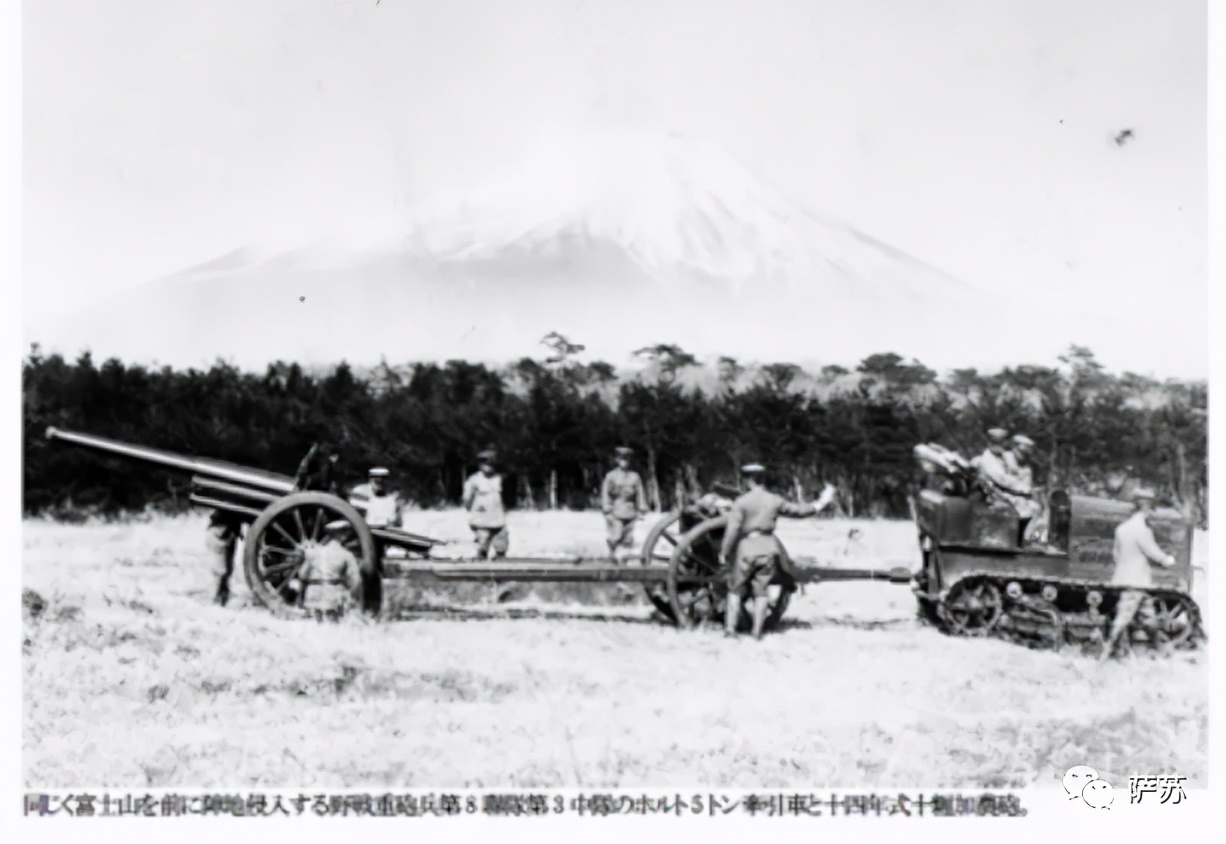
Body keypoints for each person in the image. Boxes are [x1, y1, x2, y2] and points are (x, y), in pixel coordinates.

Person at [719, 464, 839, 640]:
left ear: (748, 480)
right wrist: (821, 502)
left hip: (747, 548)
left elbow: (732, 531)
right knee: (762, 592)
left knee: (735, 590)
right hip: (769, 549)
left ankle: (730, 630)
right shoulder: (774, 500)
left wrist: (724, 552)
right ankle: (757, 633)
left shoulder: (741, 502)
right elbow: (800, 511)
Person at [1101, 488, 1177, 659]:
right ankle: (1105, 655)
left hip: (1125, 579)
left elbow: (1116, 555)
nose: (1151, 513)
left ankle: (1162, 653)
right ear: (1145, 508)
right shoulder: (1142, 530)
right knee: (1123, 620)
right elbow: (1153, 552)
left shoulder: (1121, 529)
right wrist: (1168, 560)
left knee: (1148, 618)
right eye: (1151, 509)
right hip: (1136, 582)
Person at [300, 520, 363, 622]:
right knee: (332, 626)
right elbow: (356, 581)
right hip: (333, 598)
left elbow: (302, 575)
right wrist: (348, 595)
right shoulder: (346, 555)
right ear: (343, 536)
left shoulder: (313, 552)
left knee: (314, 626)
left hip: (312, 597)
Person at [600, 446, 648, 562]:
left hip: (630, 511)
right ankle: (612, 556)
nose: (624, 462)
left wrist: (642, 508)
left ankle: (623, 561)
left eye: (626, 459)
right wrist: (607, 510)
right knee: (616, 536)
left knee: (628, 538)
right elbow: (605, 493)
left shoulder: (634, 476)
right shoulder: (611, 476)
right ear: (617, 460)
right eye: (621, 459)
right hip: (616, 511)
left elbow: (640, 493)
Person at [463, 449, 508, 559]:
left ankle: (499, 561)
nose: (488, 467)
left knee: (501, 545)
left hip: (497, 518)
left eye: (491, 464)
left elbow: (505, 496)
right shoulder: (475, 480)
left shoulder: (498, 478)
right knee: (482, 546)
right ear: (480, 465)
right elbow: (467, 498)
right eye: (485, 464)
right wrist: (472, 510)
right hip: (481, 518)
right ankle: (481, 561)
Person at [206, 509, 244, 606]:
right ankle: (216, 597)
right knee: (220, 570)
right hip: (222, 531)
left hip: (227, 528)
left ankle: (222, 594)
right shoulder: (218, 529)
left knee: (226, 569)